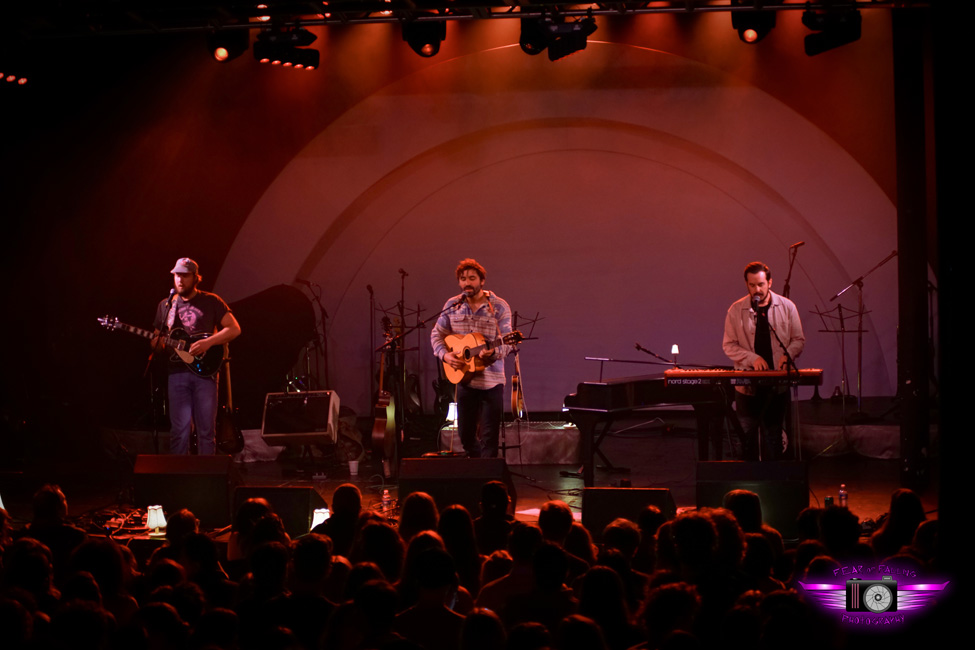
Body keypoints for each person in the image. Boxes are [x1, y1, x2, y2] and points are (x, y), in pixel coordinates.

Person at [152, 257, 241, 455]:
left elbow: (234, 329)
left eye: (184, 276)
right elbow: (158, 339)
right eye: (176, 275)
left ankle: (207, 477)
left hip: (205, 373)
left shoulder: (211, 301)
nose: (180, 280)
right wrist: (157, 342)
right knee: (179, 432)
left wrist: (208, 342)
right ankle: (180, 477)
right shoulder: (166, 306)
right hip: (176, 372)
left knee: (206, 432)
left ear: (195, 278)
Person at [430, 258, 513, 458]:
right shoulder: (452, 305)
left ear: (482, 281)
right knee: (465, 435)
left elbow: (508, 341)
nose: (467, 282)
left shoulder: (499, 306)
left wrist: (493, 352)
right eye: (463, 279)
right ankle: (476, 470)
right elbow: (436, 335)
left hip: (492, 382)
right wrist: (445, 355)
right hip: (465, 380)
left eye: (472, 278)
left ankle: (487, 479)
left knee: (489, 436)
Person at [722, 261, 804, 460]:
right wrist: (752, 358)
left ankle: (775, 478)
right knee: (745, 435)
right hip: (747, 385)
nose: (756, 289)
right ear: (747, 285)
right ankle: (746, 480)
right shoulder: (736, 310)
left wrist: (788, 354)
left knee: (774, 435)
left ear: (770, 282)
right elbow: (728, 345)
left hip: (776, 384)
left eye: (760, 284)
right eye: (752, 285)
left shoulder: (787, 306)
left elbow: (798, 340)